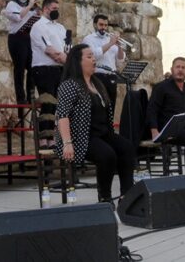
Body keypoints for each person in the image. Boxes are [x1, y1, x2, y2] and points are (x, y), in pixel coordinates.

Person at [55, 44, 136, 202]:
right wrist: (67, 142)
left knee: (127, 148)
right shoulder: (69, 85)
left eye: (93, 56)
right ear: (78, 62)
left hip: (103, 134)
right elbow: (62, 115)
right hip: (80, 138)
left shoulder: (97, 83)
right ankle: (104, 198)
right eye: (89, 56)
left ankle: (127, 195)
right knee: (107, 155)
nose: (94, 59)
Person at [30, 0, 67, 147]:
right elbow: (48, 49)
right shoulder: (38, 26)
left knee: (56, 105)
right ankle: (43, 139)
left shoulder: (60, 27)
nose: (56, 11)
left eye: (57, 7)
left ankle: (52, 138)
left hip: (59, 69)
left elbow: (66, 47)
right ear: (45, 9)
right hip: (43, 68)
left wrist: (66, 57)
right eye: (53, 8)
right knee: (47, 103)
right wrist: (63, 58)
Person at [5, 0, 39, 104]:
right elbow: (18, 17)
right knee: (19, 69)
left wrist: (38, 10)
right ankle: (21, 98)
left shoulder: (30, 6)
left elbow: (36, 20)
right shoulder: (12, 4)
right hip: (16, 38)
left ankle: (30, 97)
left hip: (28, 38)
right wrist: (30, 6)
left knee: (32, 67)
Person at [81, 14, 125, 103]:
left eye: (105, 25)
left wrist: (120, 47)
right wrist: (110, 44)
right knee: (100, 105)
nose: (103, 28)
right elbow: (94, 55)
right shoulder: (88, 39)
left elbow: (120, 59)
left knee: (111, 106)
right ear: (94, 25)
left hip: (112, 77)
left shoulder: (110, 39)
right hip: (98, 76)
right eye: (101, 25)